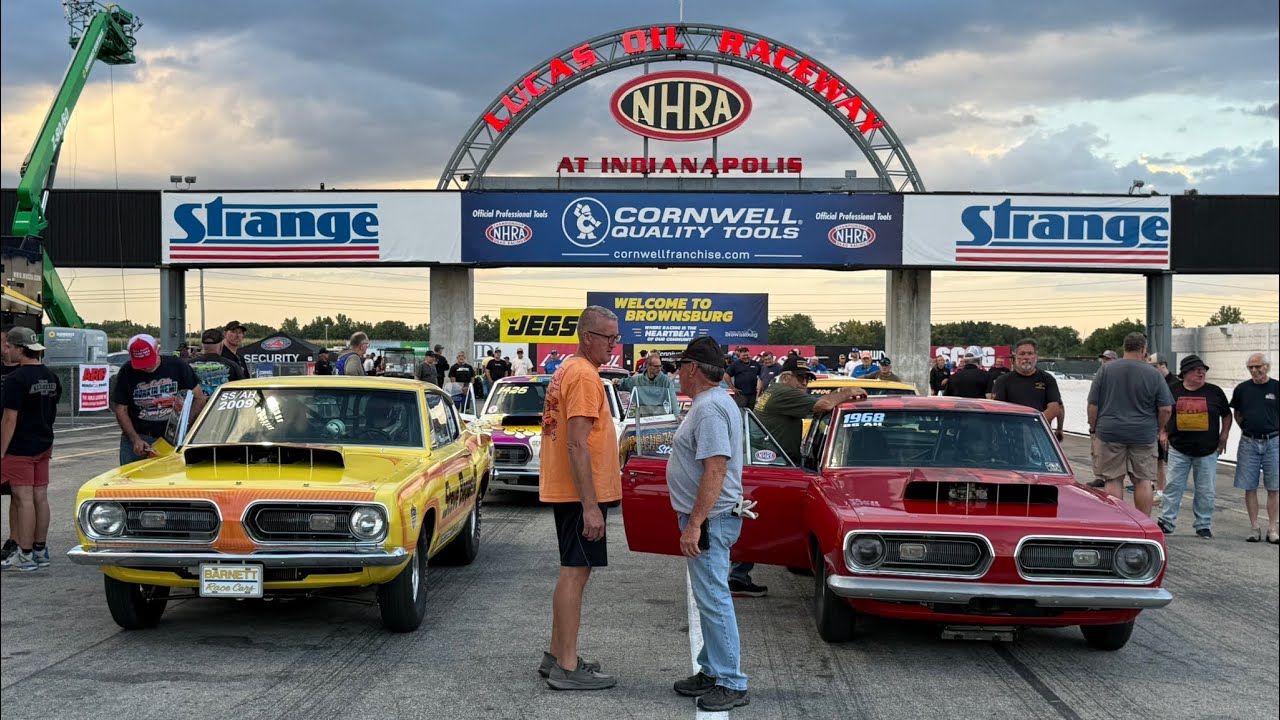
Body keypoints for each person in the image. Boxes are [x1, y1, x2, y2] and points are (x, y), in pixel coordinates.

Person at [537, 306, 620, 691]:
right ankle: (568, 668)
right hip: (580, 492)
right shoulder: (585, 376)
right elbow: (576, 444)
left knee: (572, 569)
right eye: (609, 338)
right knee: (575, 572)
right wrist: (590, 505)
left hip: (569, 488)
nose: (614, 346)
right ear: (588, 337)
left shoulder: (567, 370)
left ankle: (557, 654)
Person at [734, 360, 867, 598]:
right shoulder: (784, 393)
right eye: (800, 378)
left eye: (807, 380)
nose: (804, 384)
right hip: (770, 465)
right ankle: (737, 576)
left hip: (767, 463)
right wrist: (848, 392)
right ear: (785, 377)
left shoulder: (775, 391)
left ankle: (745, 572)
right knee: (761, 521)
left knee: (759, 520)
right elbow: (824, 404)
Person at [667, 336, 750, 712]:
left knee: (714, 599)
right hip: (712, 517)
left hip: (711, 519)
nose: (677, 373)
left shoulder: (710, 408)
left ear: (693, 369)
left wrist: (695, 523)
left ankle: (731, 680)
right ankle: (713, 669)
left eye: (681, 366)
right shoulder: (713, 403)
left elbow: (715, 468)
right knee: (708, 598)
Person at [1087, 332, 1172, 515]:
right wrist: (1156, 429)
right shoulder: (1153, 373)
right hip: (1143, 434)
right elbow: (1166, 409)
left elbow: (1093, 405)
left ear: (1124, 348)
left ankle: (1116, 522)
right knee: (1142, 480)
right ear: (1143, 349)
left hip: (1110, 432)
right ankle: (1142, 526)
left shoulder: (1106, 370)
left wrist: (1093, 428)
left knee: (1113, 479)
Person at [0, 327, 60, 572]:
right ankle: (39, 550)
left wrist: (1, 450)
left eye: (10, 347)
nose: (8, 350)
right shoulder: (50, 376)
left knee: (23, 499)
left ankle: (24, 555)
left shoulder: (17, 379)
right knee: (40, 498)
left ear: (19, 349)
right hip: (43, 444)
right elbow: (52, 410)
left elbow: (9, 419)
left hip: (20, 447)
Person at [1155, 355, 1231, 538]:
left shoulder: (1215, 392)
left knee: (1206, 489)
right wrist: (1163, 432)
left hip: (1207, 450)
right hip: (1178, 448)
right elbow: (1162, 411)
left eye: (1203, 369)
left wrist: (1224, 435)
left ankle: (1203, 524)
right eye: (1196, 369)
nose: (1201, 372)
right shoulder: (1172, 390)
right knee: (1173, 486)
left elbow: (1226, 415)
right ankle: (1166, 521)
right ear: (1185, 373)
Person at [112, 334, 206, 465]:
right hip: (141, 435)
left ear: (158, 350)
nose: (146, 367)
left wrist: (183, 429)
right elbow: (121, 409)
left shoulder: (177, 366)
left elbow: (199, 398)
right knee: (131, 481)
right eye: (141, 365)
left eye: (150, 361)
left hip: (173, 439)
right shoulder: (127, 371)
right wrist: (135, 439)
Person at [1231, 353, 1278, 544]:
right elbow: (1237, 414)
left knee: (1274, 487)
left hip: (1274, 442)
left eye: (1257, 366)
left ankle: (1273, 528)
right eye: (1250, 367)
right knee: (1249, 487)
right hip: (1249, 442)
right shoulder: (1242, 389)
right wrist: (1249, 430)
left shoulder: (1276, 387)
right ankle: (1254, 527)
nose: (1254, 370)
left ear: (1266, 366)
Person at [993, 339, 1064, 441]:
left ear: (1036, 356)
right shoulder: (1003, 381)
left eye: (1030, 353)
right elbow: (997, 409)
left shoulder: (1047, 379)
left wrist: (1034, 425)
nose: (1026, 357)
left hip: (1039, 434)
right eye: (1022, 354)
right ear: (1015, 356)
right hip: (1010, 435)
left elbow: (1054, 408)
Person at [1148, 353, 1179, 503]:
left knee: (1169, 462)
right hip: (1156, 426)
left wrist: (1164, 430)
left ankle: (1166, 493)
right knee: (1157, 459)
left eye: (1154, 366)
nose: (1151, 370)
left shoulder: (1174, 385)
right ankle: (1158, 489)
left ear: (1163, 365)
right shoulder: (1154, 382)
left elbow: (1170, 410)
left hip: (1169, 429)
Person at [188, 328, 245, 396]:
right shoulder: (233, 365)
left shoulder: (187, 365)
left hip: (196, 405)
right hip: (222, 405)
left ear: (202, 345)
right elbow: (242, 391)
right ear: (221, 344)